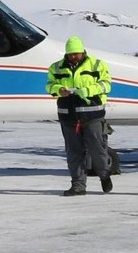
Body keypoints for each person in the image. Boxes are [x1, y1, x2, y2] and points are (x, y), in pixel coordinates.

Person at [48, 36, 112, 195]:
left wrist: (88, 90)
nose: (74, 56)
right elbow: (49, 85)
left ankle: (104, 175)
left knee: (97, 149)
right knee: (73, 152)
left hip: (92, 115)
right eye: (71, 54)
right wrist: (58, 89)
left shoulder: (97, 65)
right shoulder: (56, 68)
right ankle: (78, 185)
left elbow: (106, 84)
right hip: (68, 116)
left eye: (76, 53)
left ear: (83, 52)